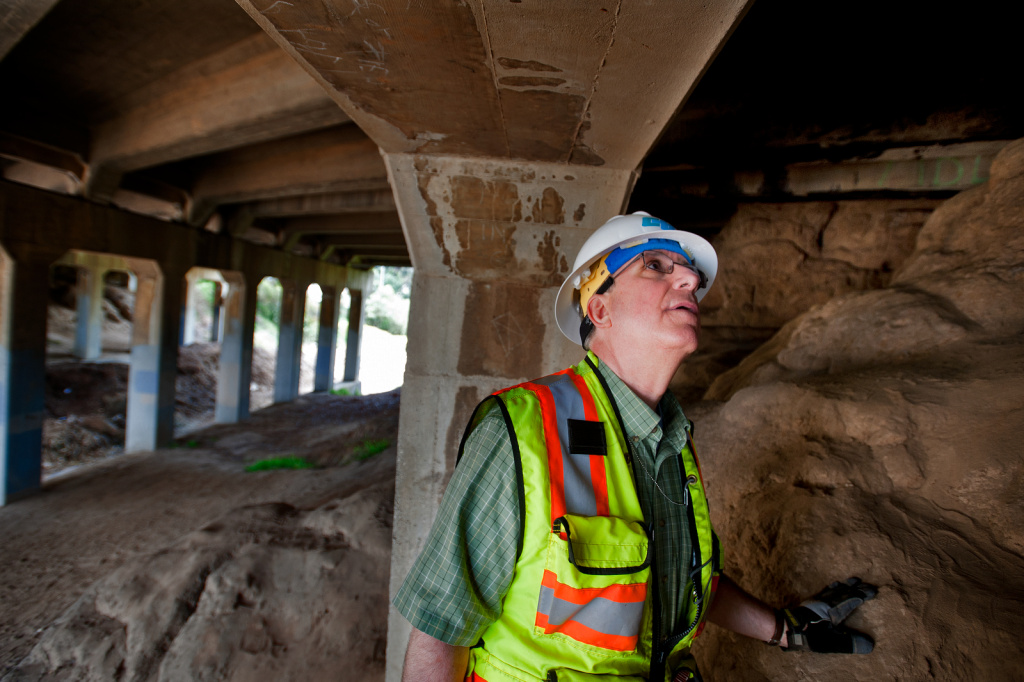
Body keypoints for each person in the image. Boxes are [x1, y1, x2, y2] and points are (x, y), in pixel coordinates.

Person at [394, 212, 876, 682]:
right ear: (599, 309)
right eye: (656, 266)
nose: (689, 278)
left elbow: (679, 580)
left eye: (687, 271)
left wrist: (786, 630)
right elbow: (442, 630)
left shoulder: (674, 441)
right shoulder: (521, 430)